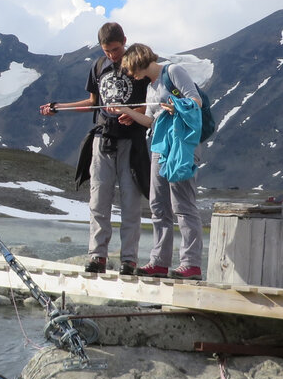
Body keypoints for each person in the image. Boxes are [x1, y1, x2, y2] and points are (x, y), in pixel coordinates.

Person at [39, 22, 149, 275]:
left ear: (125, 41)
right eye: (107, 50)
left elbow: (151, 105)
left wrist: (133, 113)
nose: (113, 55)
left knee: (131, 203)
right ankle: (97, 256)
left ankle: (129, 260)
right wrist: (60, 107)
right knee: (98, 201)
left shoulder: (137, 64)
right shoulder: (98, 66)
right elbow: (92, 103)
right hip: (102, 140)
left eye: (116, 49)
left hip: (131, 142)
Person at [115, 44, 204, 280]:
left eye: (128, 67)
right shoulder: (151, 86)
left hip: (181, 145)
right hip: (159, 145)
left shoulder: (173, 71)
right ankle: (159, 262)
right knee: (158, 204)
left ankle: (191, 263)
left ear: (137, 60)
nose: (128, 73)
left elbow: (196, 102)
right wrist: (128, 112)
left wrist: (176, 107)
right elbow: (150, 121)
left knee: (182, 204)